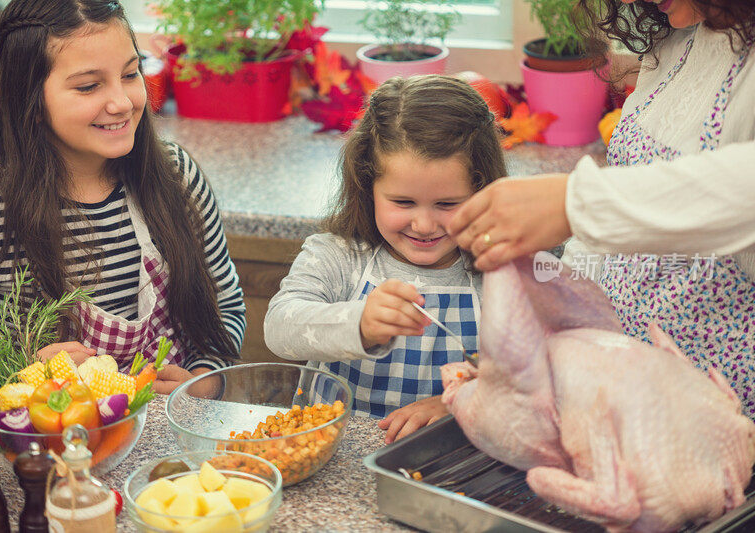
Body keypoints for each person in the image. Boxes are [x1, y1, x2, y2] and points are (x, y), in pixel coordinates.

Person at [449, 1, 755, 414]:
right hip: (619, 389)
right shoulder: (676, 39)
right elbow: (618, 215)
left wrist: (573, 203)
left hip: (712, 406)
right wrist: (553, 319)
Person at [0, 0, 246, 394]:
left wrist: (204, 381)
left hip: (167, 440)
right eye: (89, 86)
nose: (122, 102)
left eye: (130, 74)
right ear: (29, 99)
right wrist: (14, 376)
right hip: (47, 443)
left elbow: (224, 306)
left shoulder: (177, 177)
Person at [264, 75, 507, 443]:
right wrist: (358, 323)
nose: (424, 225)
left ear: (483, 191)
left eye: (448, 204)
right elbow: (279, 329)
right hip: (331, 456)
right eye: (403, 202)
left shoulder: (502, 274)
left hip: (443, 462)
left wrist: (458, 402)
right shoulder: (339, 255)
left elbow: (530, 376)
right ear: (367, 186)